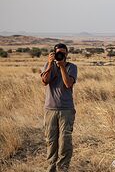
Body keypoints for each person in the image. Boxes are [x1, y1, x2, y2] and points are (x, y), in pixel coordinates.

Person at [40, 43, 78, 172]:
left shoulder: (72, 67)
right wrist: (50, 64)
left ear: (67, 53)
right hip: (50, 109)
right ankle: (51, 168)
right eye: (58, 53)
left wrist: (62, 67)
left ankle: (63, 168)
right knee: (51, 141)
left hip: (66, 109)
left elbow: (68, 84)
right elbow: (44, 82)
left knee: (65, 141)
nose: (60, 55)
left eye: (63, 52)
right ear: (53, 54)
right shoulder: (48, 65)